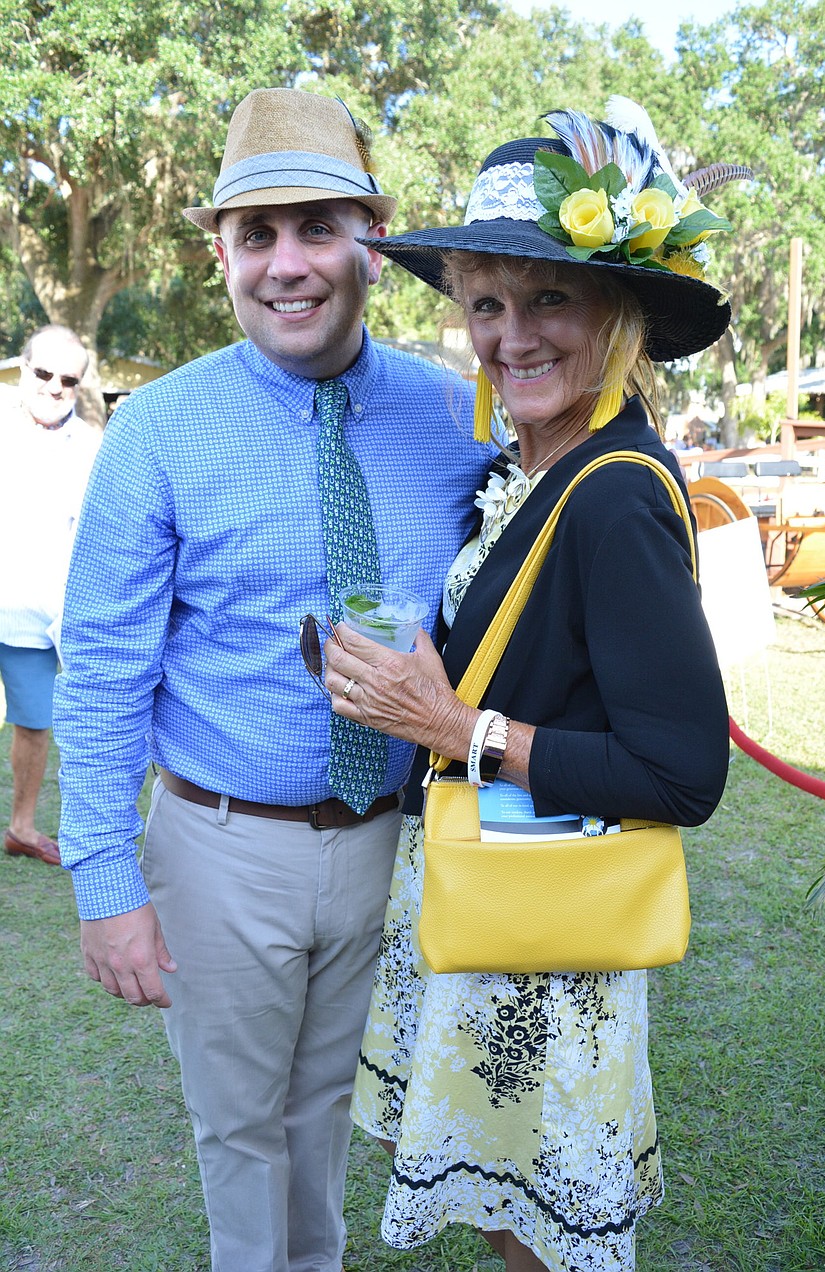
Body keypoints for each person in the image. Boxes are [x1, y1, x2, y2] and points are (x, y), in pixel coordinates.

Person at [52, 88, 490, 1272]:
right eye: (257, 235)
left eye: (317, 227)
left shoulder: (464, 419)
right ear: (220, 253)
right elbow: (101, 667)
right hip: (217, 846)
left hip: (398, 845)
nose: (286, 265)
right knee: (239, 1131)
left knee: (325, 1120)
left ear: (374, 238)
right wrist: (104, 878)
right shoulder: (161, 430)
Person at [322, 99, 743, 1270]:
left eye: (548, 298)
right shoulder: (527, 464)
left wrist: (458, 725)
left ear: (616, 313)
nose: (511, 336)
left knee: (546, 1234)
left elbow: (681, 772)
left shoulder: (614, 491)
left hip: (551, 940)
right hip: (491, 898)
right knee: (513, 1216)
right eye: (486, 305)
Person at [1, 324, 99, 866]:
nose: (54, 386)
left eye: (68, 379)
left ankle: (21, 827)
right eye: (43, 372)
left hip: (36, 616)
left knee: (36, 725)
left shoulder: (89, 447)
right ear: (22, 368)